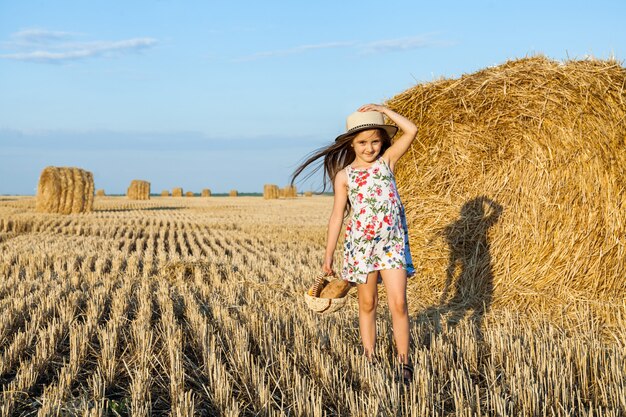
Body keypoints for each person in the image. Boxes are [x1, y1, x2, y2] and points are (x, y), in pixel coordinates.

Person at [291, 104, 418, 383]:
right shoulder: (344, 176)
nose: (369, 148)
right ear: (352, 143)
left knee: (399, 304)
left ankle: (405, 363)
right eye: (362, 142)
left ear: (383, 142)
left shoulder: (387, 162)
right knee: (368, 303)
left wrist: (384, 110)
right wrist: (328, 258)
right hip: (361, 247)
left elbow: (412, 130)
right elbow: (337, 216)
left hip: (392, 244)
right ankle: (370, 357)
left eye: (375, 141)